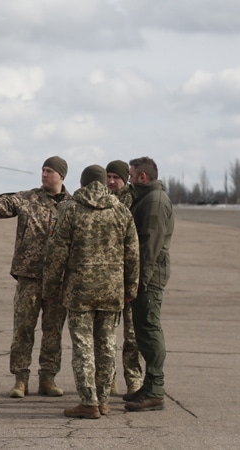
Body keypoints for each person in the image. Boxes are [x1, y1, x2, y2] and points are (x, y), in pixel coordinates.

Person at [0, 156, 70, 398]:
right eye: (42, 170)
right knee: (23, 330)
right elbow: (0, 206)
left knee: (53, 332)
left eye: (49, 171)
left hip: (58, 280)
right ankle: (21, 380)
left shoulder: (72, 205)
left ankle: (48, 379)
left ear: (61, 176)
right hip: (28, 276)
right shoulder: (27, 199)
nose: (43, 174)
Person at [43, 165, 139, 419]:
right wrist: (131, 288)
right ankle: (104, 400)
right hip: (112, 290)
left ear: (83, 184)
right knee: (107, 344)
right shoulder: (121, 210)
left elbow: (57, 251)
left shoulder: (71, 208)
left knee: (83, 346)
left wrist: (51, 286)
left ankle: (89, 401)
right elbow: (133, 254)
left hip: (79, 290)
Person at [123, 156, 174, 412]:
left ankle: (155, 390)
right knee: (143, 331)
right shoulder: (145, 198)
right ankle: (149, 386)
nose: (129, 181)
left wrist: (138, 284)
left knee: (150, 330)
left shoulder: (154, 202)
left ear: (143, 177)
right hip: (145, 276)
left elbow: (149, 249)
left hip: (149, 278)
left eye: (131, 176)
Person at [105, 160, 143, 396]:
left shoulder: (135, 201)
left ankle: (134, 380)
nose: (111, 182)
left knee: (132, 336)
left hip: (129, 278)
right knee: (106, 335)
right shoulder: (101, 201)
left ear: (125, 179)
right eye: (108, 177)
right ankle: (108, 379)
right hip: (106, 280)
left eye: (115, 177)